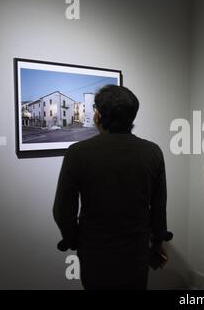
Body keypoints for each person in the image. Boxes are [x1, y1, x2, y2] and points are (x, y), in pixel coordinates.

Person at [53, 85, 169, 290]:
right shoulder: (152, 152)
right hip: (136, 253)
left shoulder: (77, 153)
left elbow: (62, 211)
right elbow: (158, 207)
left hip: (95, 254)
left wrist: (74, 241)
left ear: (98, 116)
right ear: (132, 117)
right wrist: (158, 241)